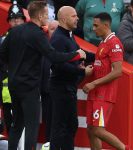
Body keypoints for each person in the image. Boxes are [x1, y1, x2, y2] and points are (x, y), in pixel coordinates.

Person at [0, 1, 86, 150]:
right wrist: (76, 55)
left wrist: (12, 69)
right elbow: (53, 56)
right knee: (31, 126)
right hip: (30, 88)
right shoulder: (38, 34)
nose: (48, 17)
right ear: (39, 15)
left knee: (16, 125)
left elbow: (2, 54)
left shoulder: (15, 31)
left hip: (13, 85)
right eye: (46, 14)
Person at [49, 6, 95, 150]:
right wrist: (82, 72)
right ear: (63, 19)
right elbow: (58, 66)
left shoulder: (68, 35)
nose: (77, 18)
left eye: (77, 16)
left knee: (70, 126)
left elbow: (80, 53)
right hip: (61, 89)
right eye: (73, 16)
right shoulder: (58, 39)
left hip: (68, 88)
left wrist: (100, 54)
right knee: (60, 128)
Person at [82, 12, 130, 150]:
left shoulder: (114, 43)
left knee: (97, 130)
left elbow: (117, 71)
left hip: (104, 95)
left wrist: (93, 83)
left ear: (106, 25)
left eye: (96, 25)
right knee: (91, 130)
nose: (93, 28)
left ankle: (125, 148)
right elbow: (102, 66)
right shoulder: (103, 43)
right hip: (95, 94)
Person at [0, 0, 26, 135]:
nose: (16, 22)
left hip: (26, 88)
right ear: (9, 21)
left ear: (23, 20)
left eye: (18, 18)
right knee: (11, 127)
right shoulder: (3, 39)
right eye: (13, 19)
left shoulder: (31, 37)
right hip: (6, 91)